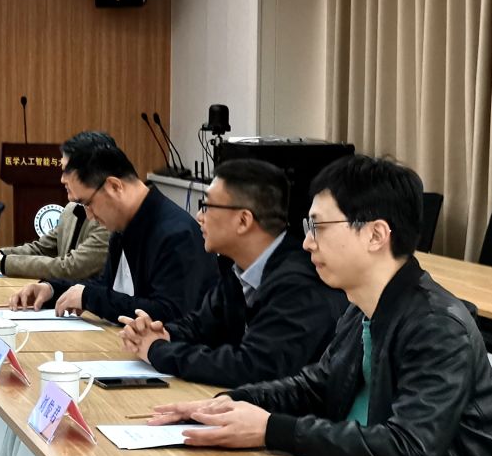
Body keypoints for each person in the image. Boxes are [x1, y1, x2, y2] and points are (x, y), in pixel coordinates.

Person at [148, 154, 492, 456]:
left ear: (376, 235)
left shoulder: (437, 326)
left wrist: (270, 429)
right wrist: (232, 403)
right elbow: (317, 384)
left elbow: (409, 447)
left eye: (319, 227)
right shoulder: (361, 307)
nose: (307, 242)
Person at [119, 158, 345, 387]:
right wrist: (159, 333)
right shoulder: (237, 269)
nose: (199, 216)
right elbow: (200, 325)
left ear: (243, 220)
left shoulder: (298, 283)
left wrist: (157, 350)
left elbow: (253, 367)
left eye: (206, 206)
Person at [8, 133, 212, 323]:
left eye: (87, 203)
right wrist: (52, 290)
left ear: (114, 186)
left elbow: (169, 314)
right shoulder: (125, 225)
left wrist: (89, 297)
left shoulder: (176, 234)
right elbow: (108, 288)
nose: (89, 215)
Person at [0, 130, 114, 280]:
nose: (62, 180)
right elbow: (41, 249)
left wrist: (0, 262)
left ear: (90, 173)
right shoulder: (71, 208)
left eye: (67, 172)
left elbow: (71, 268)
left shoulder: (108, 220)